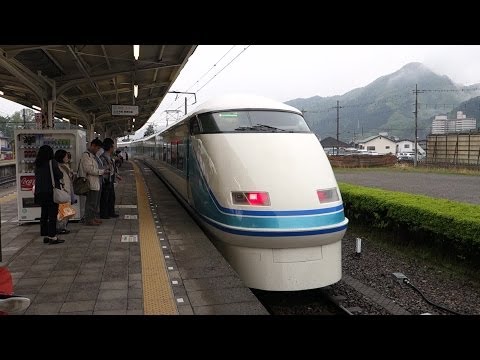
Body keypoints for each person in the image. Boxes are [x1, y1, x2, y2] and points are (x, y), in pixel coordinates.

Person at [34, 145, 65, 244]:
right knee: (52, 215)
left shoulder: (37, 163)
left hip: (40, 192)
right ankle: (52, 236)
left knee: (44, 213)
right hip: (50, 192)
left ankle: (45, 234)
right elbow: (59, 174)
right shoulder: (52, 162)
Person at [79, 139, 105, 226]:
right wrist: (101, 172)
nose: (98, 150)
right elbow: (88, 169)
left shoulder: (93, 156)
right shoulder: (86, 156)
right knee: (91, 202)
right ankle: (89, 220)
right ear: (92, 145)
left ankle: (93, 218)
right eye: (97, 148)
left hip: (96, 182)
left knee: (95, 202)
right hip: (90, 183)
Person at [55, 149, 74, 234]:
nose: (67, 157)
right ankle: (61, 227)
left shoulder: (64, 166)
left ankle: (63, 226)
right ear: (62, 157)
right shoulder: (59, 167)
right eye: (66, 156)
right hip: (64, 190)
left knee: (65, 209)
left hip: (67, 190)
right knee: (64, 210)